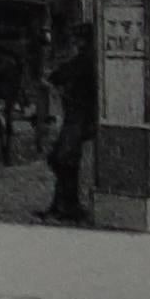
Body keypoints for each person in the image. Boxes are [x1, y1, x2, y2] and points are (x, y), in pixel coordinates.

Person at [42, 13, 100, 225]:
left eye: (78, 39)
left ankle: (66, 207)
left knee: (61, 159)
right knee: (65, 160)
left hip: (79, 117)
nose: (75, 43)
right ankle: (64, 206)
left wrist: (52, 77)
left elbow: (59, 74)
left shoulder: (83, 61)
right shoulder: (90, 59)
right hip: (79, 116)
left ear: (84, 41)